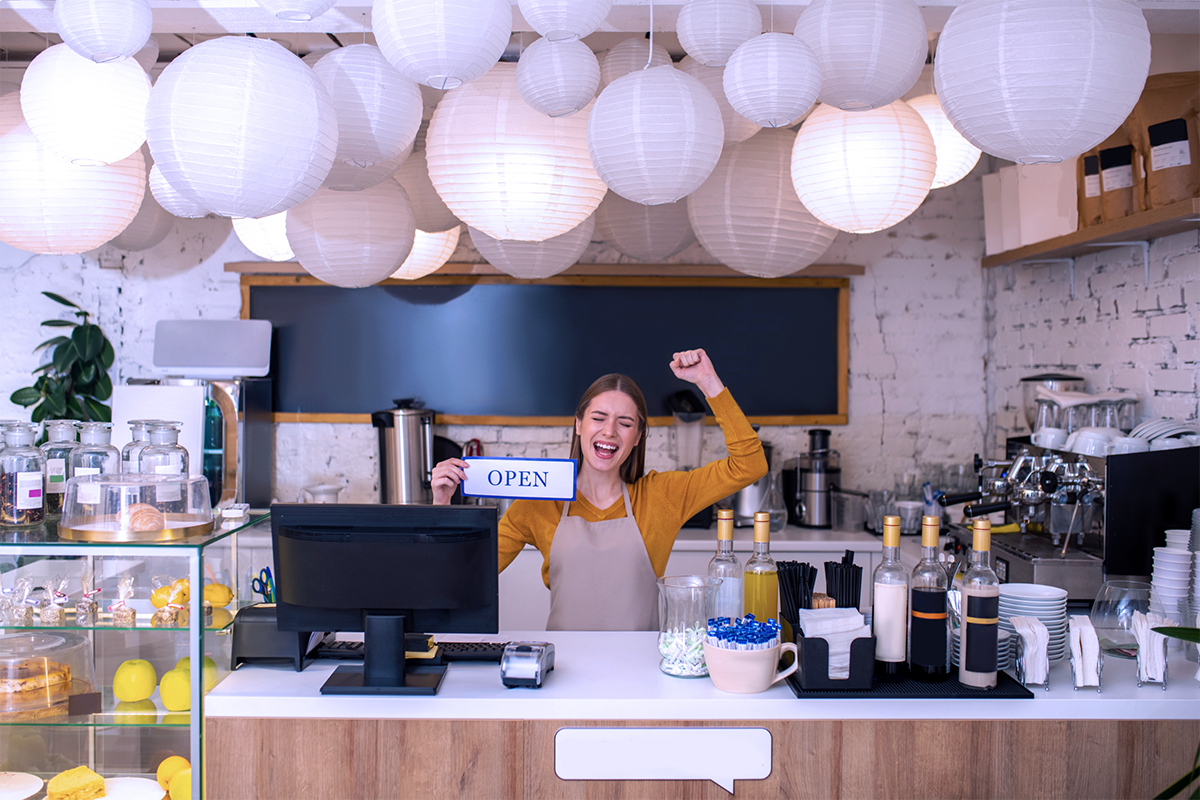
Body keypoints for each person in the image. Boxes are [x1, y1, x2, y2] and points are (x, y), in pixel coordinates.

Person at [431, 349, 767, 631]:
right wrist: (442, 504)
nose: (609, 432)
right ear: (578, 425)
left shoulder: (662, 496)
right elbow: (461, 579)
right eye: (598, 418)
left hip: (642, 677)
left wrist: (709, 383)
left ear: (637, 437)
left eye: (625, 423)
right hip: (563, 675)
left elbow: (749, 465)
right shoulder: (538, 502)